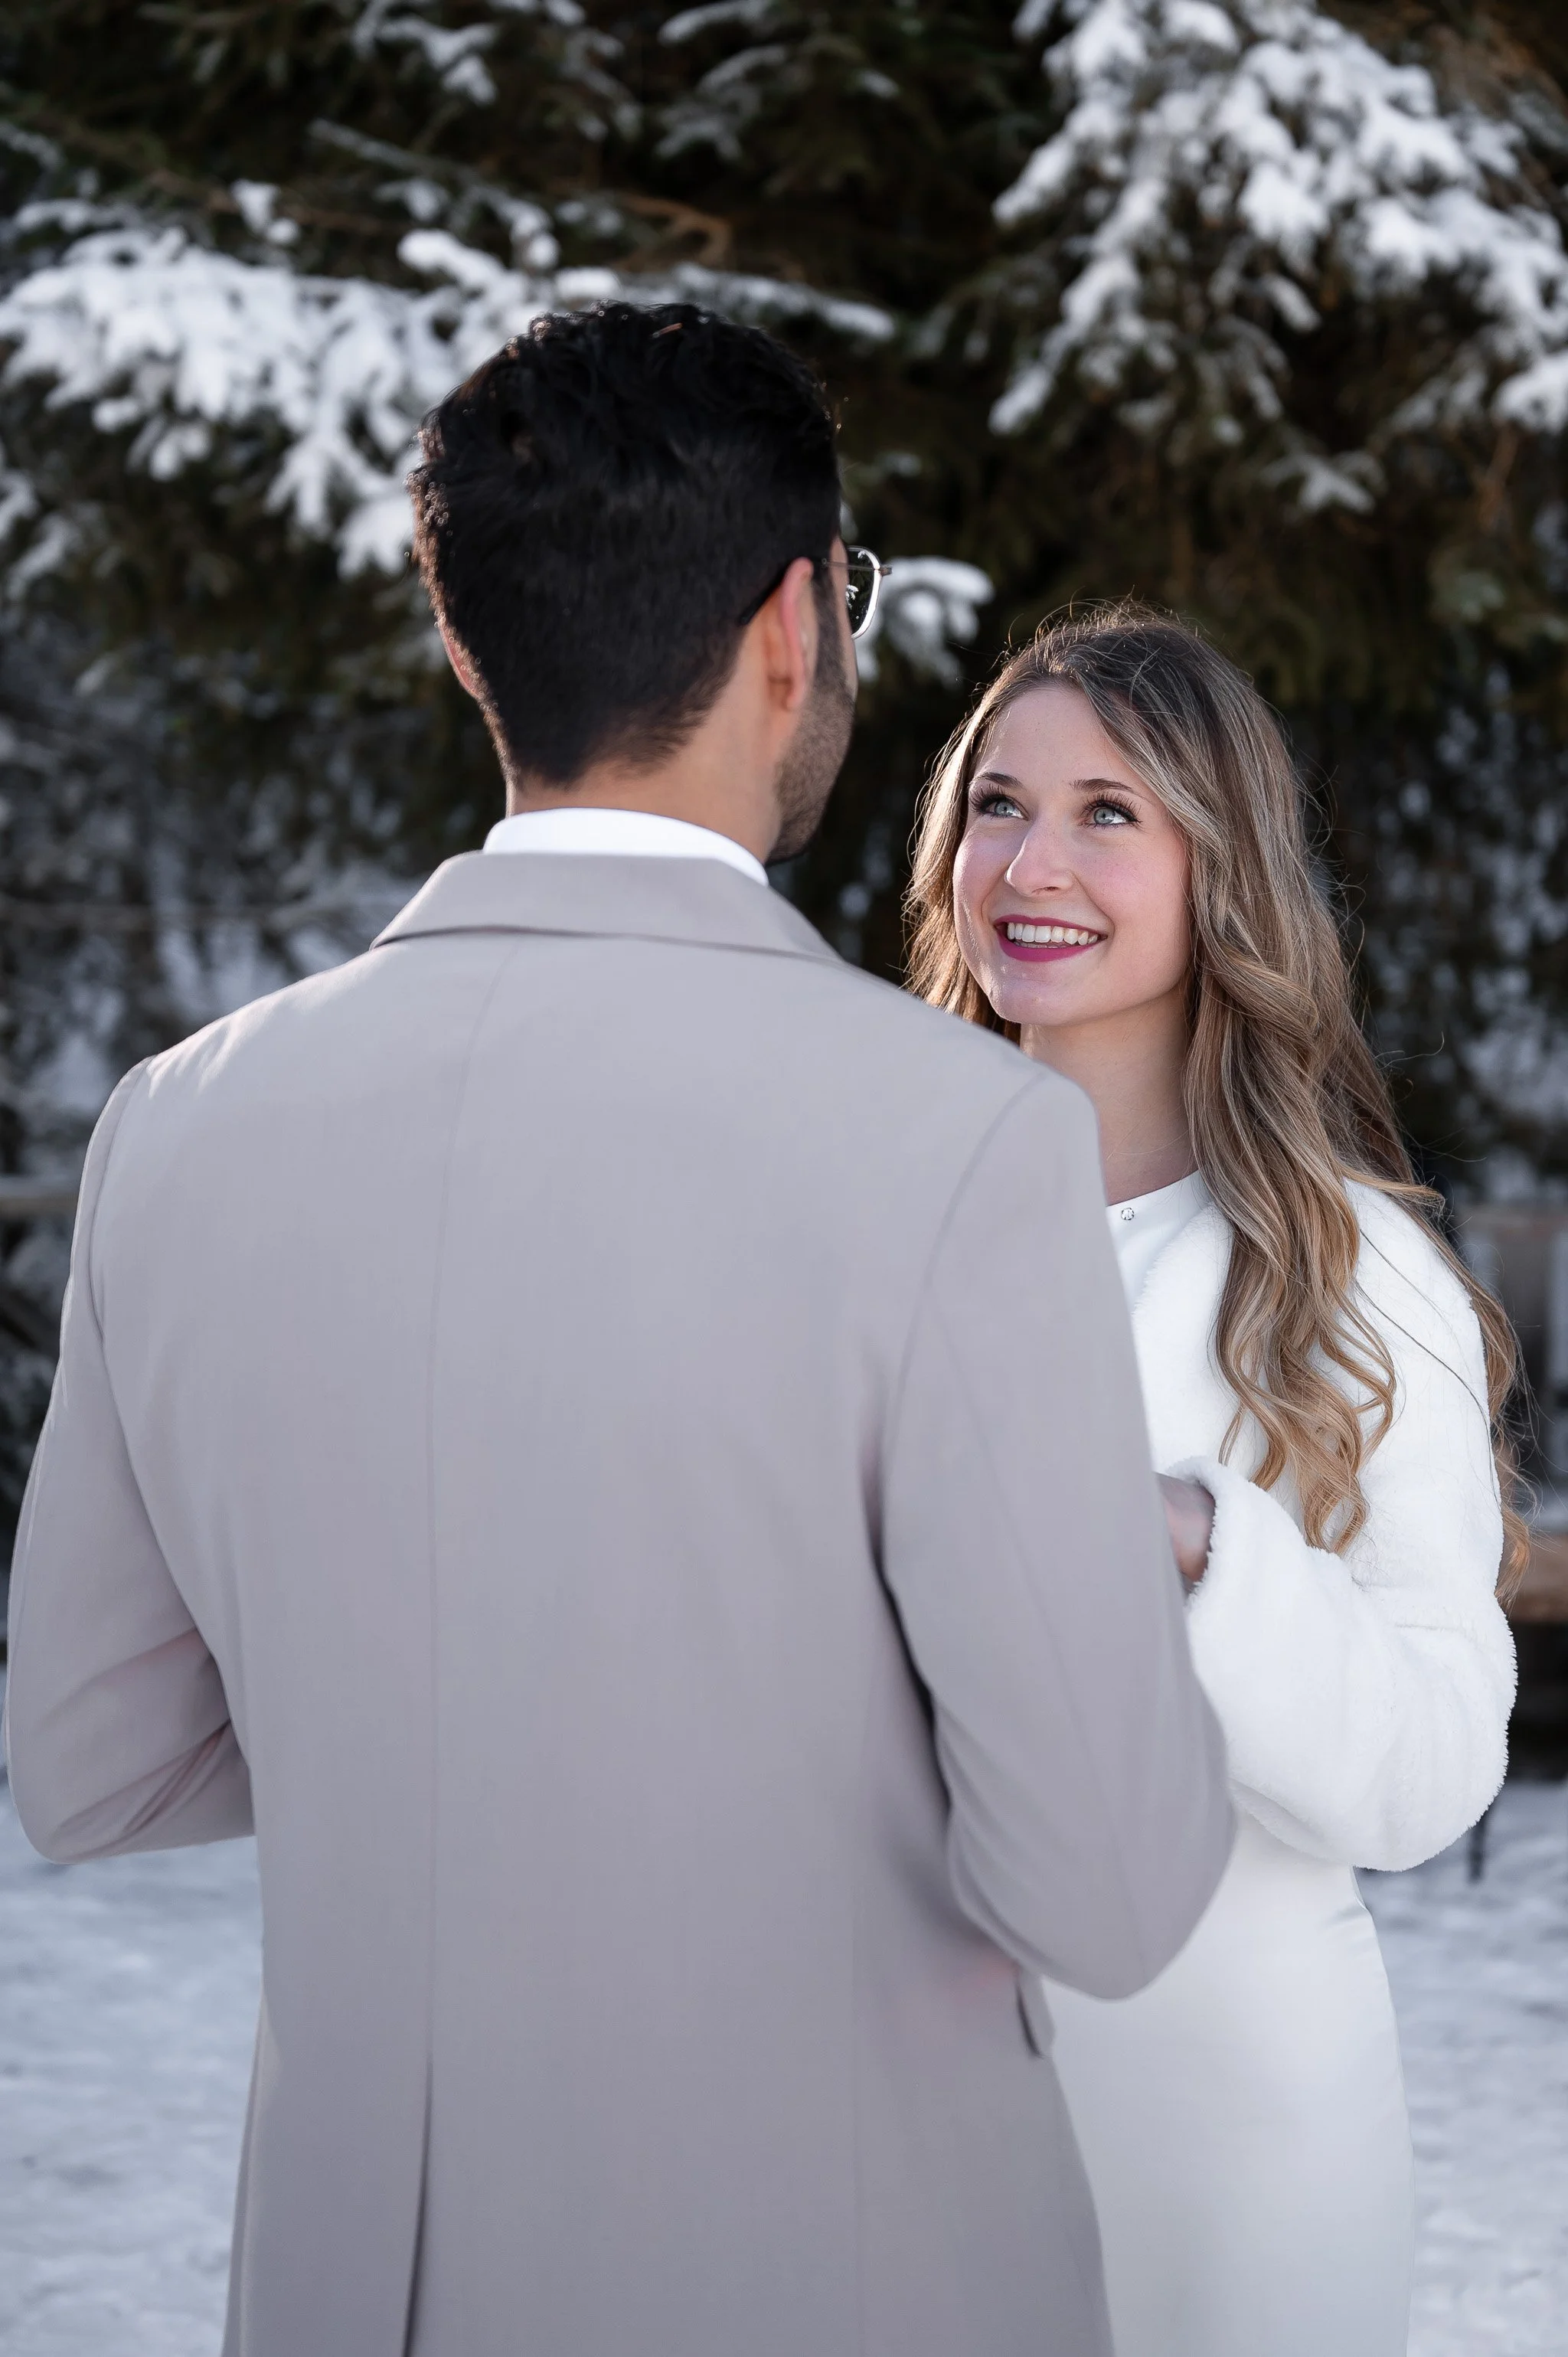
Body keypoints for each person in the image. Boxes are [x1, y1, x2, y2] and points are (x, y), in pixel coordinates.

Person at [3, 311, 1233, 2357]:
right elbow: (1109, 1884)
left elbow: (91, 1755)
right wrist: (1128, 1560)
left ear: (466, 638)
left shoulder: (177, 1125)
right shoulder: (957, 1136)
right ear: (795, 623)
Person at [907, 600, 1521, 2357]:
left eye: (1112, 811)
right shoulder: (861, 1223)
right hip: (889, 2121)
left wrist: (1201, 1547)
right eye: (998, 803)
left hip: (1230, 2153)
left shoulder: (1350, 1278)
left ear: (1223, 869)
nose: (1032, 860)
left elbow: (1426, 1775)